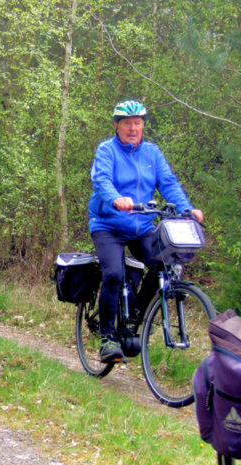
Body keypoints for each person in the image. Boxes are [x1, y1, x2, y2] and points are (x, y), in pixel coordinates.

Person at [88, 100, 204, 363]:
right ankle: (107, 337)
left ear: (142, 126)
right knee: (114, 274)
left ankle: (134, 317)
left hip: (141, 226)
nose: (133, 128)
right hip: (108, 224)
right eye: (127, 123)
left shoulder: (152, 153)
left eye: (137, 123)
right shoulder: (107, 150)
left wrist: (188, 209)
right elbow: (101, 180)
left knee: (163, 264)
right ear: (117, 126)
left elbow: (169, 184)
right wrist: (117, 198)